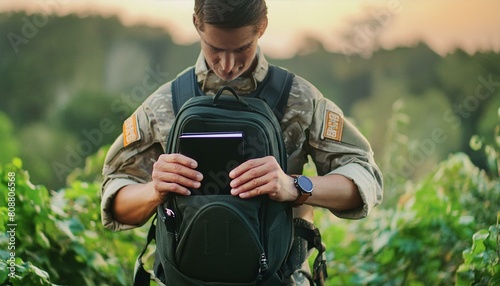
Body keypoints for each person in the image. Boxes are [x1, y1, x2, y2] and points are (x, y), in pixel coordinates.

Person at [101, 0, 383, 285]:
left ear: (262, 28)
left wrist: (294, 185)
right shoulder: (164, 104)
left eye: (241, 49)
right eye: (215, 49)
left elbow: (365, 179)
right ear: (198, 25)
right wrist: (154, 190)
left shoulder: (299, 99)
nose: (227, 65)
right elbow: (114, 199)